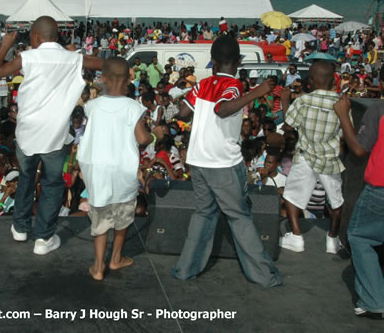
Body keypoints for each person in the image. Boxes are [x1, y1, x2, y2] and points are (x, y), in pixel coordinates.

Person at [170, 35, 282, 287]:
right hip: (222, 162)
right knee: (238, 217)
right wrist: (257, 92)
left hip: (198, 160)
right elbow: (222, 109)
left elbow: (184, 113)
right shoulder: (234, 85)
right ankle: (264, 276)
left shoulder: (202, 84)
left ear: (212, 62)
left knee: (204, 213)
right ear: (239, 61)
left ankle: (185, 270)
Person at [0, 16, 103, 255]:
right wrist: (74, 55)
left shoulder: (28, 56)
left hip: (28, 132)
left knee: (26, 177)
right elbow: (104, 64)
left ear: (38, 37)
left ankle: (20, 229)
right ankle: (43, 239)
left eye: (30, 36)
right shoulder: (73, 58)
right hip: (54, 133)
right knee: (51, 185)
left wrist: (5, 46)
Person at [77, 57, 152, 280]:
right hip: (123, 170)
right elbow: (142, 139)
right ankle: (116, 258)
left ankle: (98, 266)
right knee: (122, 216)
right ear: (129, 78)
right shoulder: (134, 107)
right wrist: (153, 134)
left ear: (104, 79)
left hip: (97, 170)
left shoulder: (92, 106)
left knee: (99, 216)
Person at [333, 69, 384, 319]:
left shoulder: (379, 110)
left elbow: (359, 150)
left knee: (360, 237)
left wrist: (344, 115)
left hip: (380, 188)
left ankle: (374, 301)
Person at [279, 62, 344, 254]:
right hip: (329, 158)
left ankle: (297, 237)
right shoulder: (341, 102)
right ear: (333, 80)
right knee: (336, 201)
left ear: (312, 81)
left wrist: (284, 101)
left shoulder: (303, 101)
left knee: (291, 196)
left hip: (306, 157)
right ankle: (332, 239)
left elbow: (289, 125)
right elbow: (345, 131)